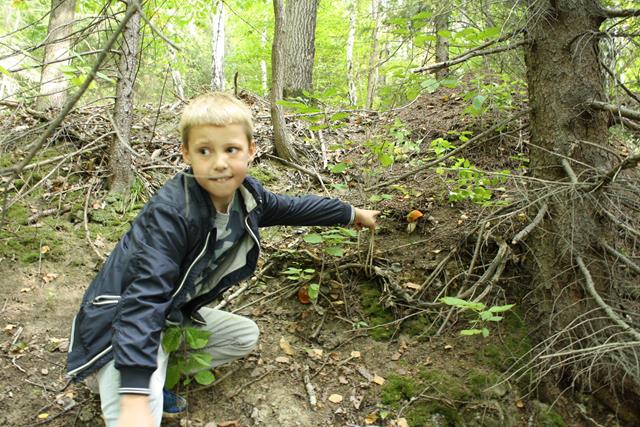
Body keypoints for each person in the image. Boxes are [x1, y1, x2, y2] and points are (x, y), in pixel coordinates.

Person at [66, 92, 379, 427]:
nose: (219, 163)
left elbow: (295, 207)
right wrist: (135, 392)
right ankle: (125, 377)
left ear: (251, 150)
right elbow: (144, 299)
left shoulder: (248, 197)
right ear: (186, 154)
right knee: (137, 412)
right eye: (205, 151)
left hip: (169, 317)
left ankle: (157, 375)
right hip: (118, 325)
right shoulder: (171, 213)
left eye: (231, 149)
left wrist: (352, 213)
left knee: (242, 335)